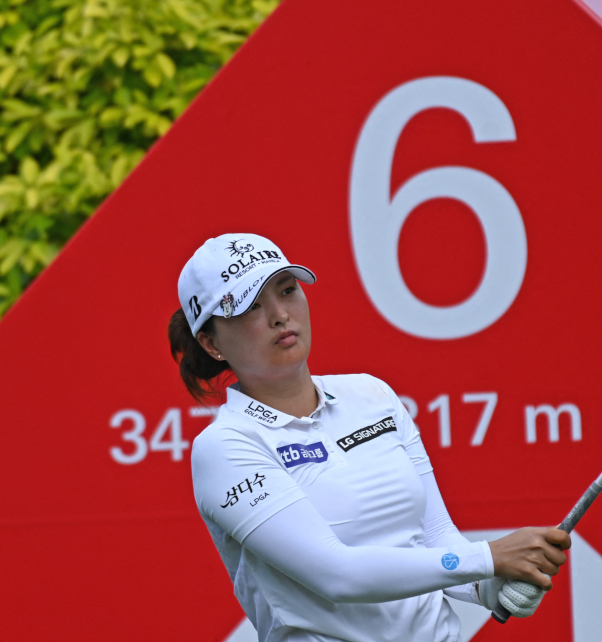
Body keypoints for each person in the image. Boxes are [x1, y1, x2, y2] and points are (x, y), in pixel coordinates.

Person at [168, 233, 570, 642]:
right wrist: (488, 559)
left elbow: (435, 541)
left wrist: (489, 586)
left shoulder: (372, 393)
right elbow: (336, 575)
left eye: (287, 291)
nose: (279, 315)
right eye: (251, 306)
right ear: (211, 343)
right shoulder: (224, 446)